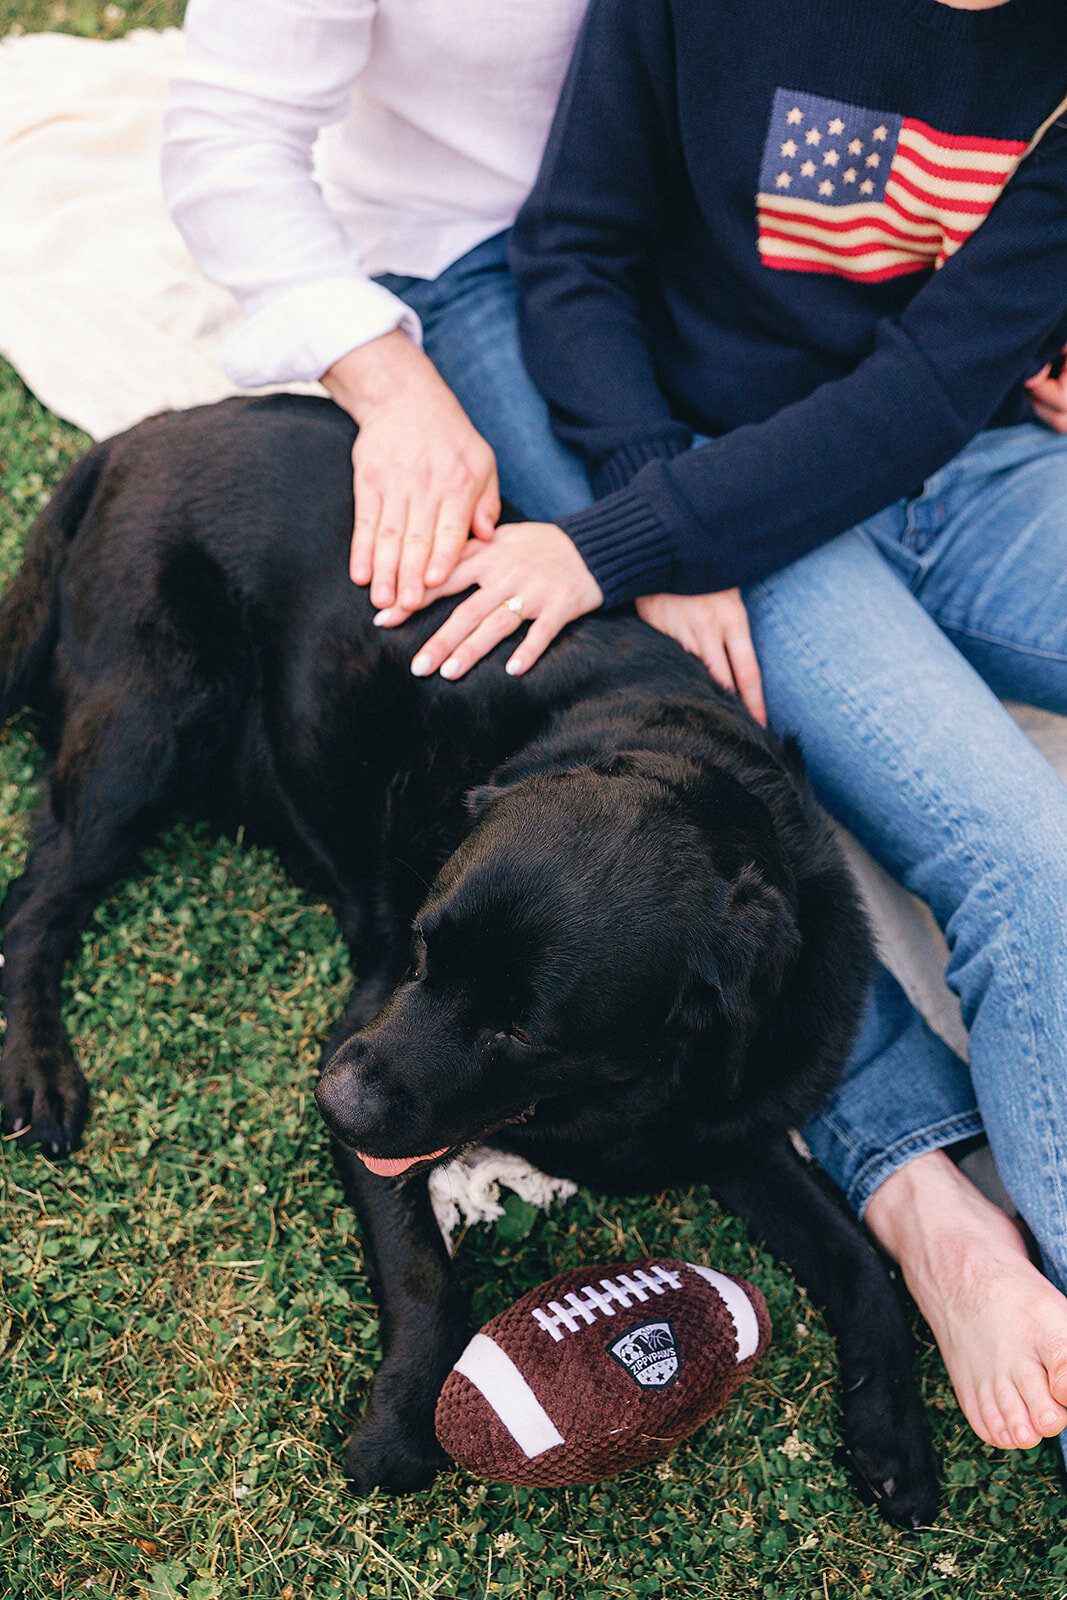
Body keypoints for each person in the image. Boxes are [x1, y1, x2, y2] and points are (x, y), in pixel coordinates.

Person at [162, 0, 1067, 1460]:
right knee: (681, 725)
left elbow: (933, 362)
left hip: (851, 376)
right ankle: (916, 1190)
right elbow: (241, 140)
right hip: (491, 278)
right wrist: (427, 407)